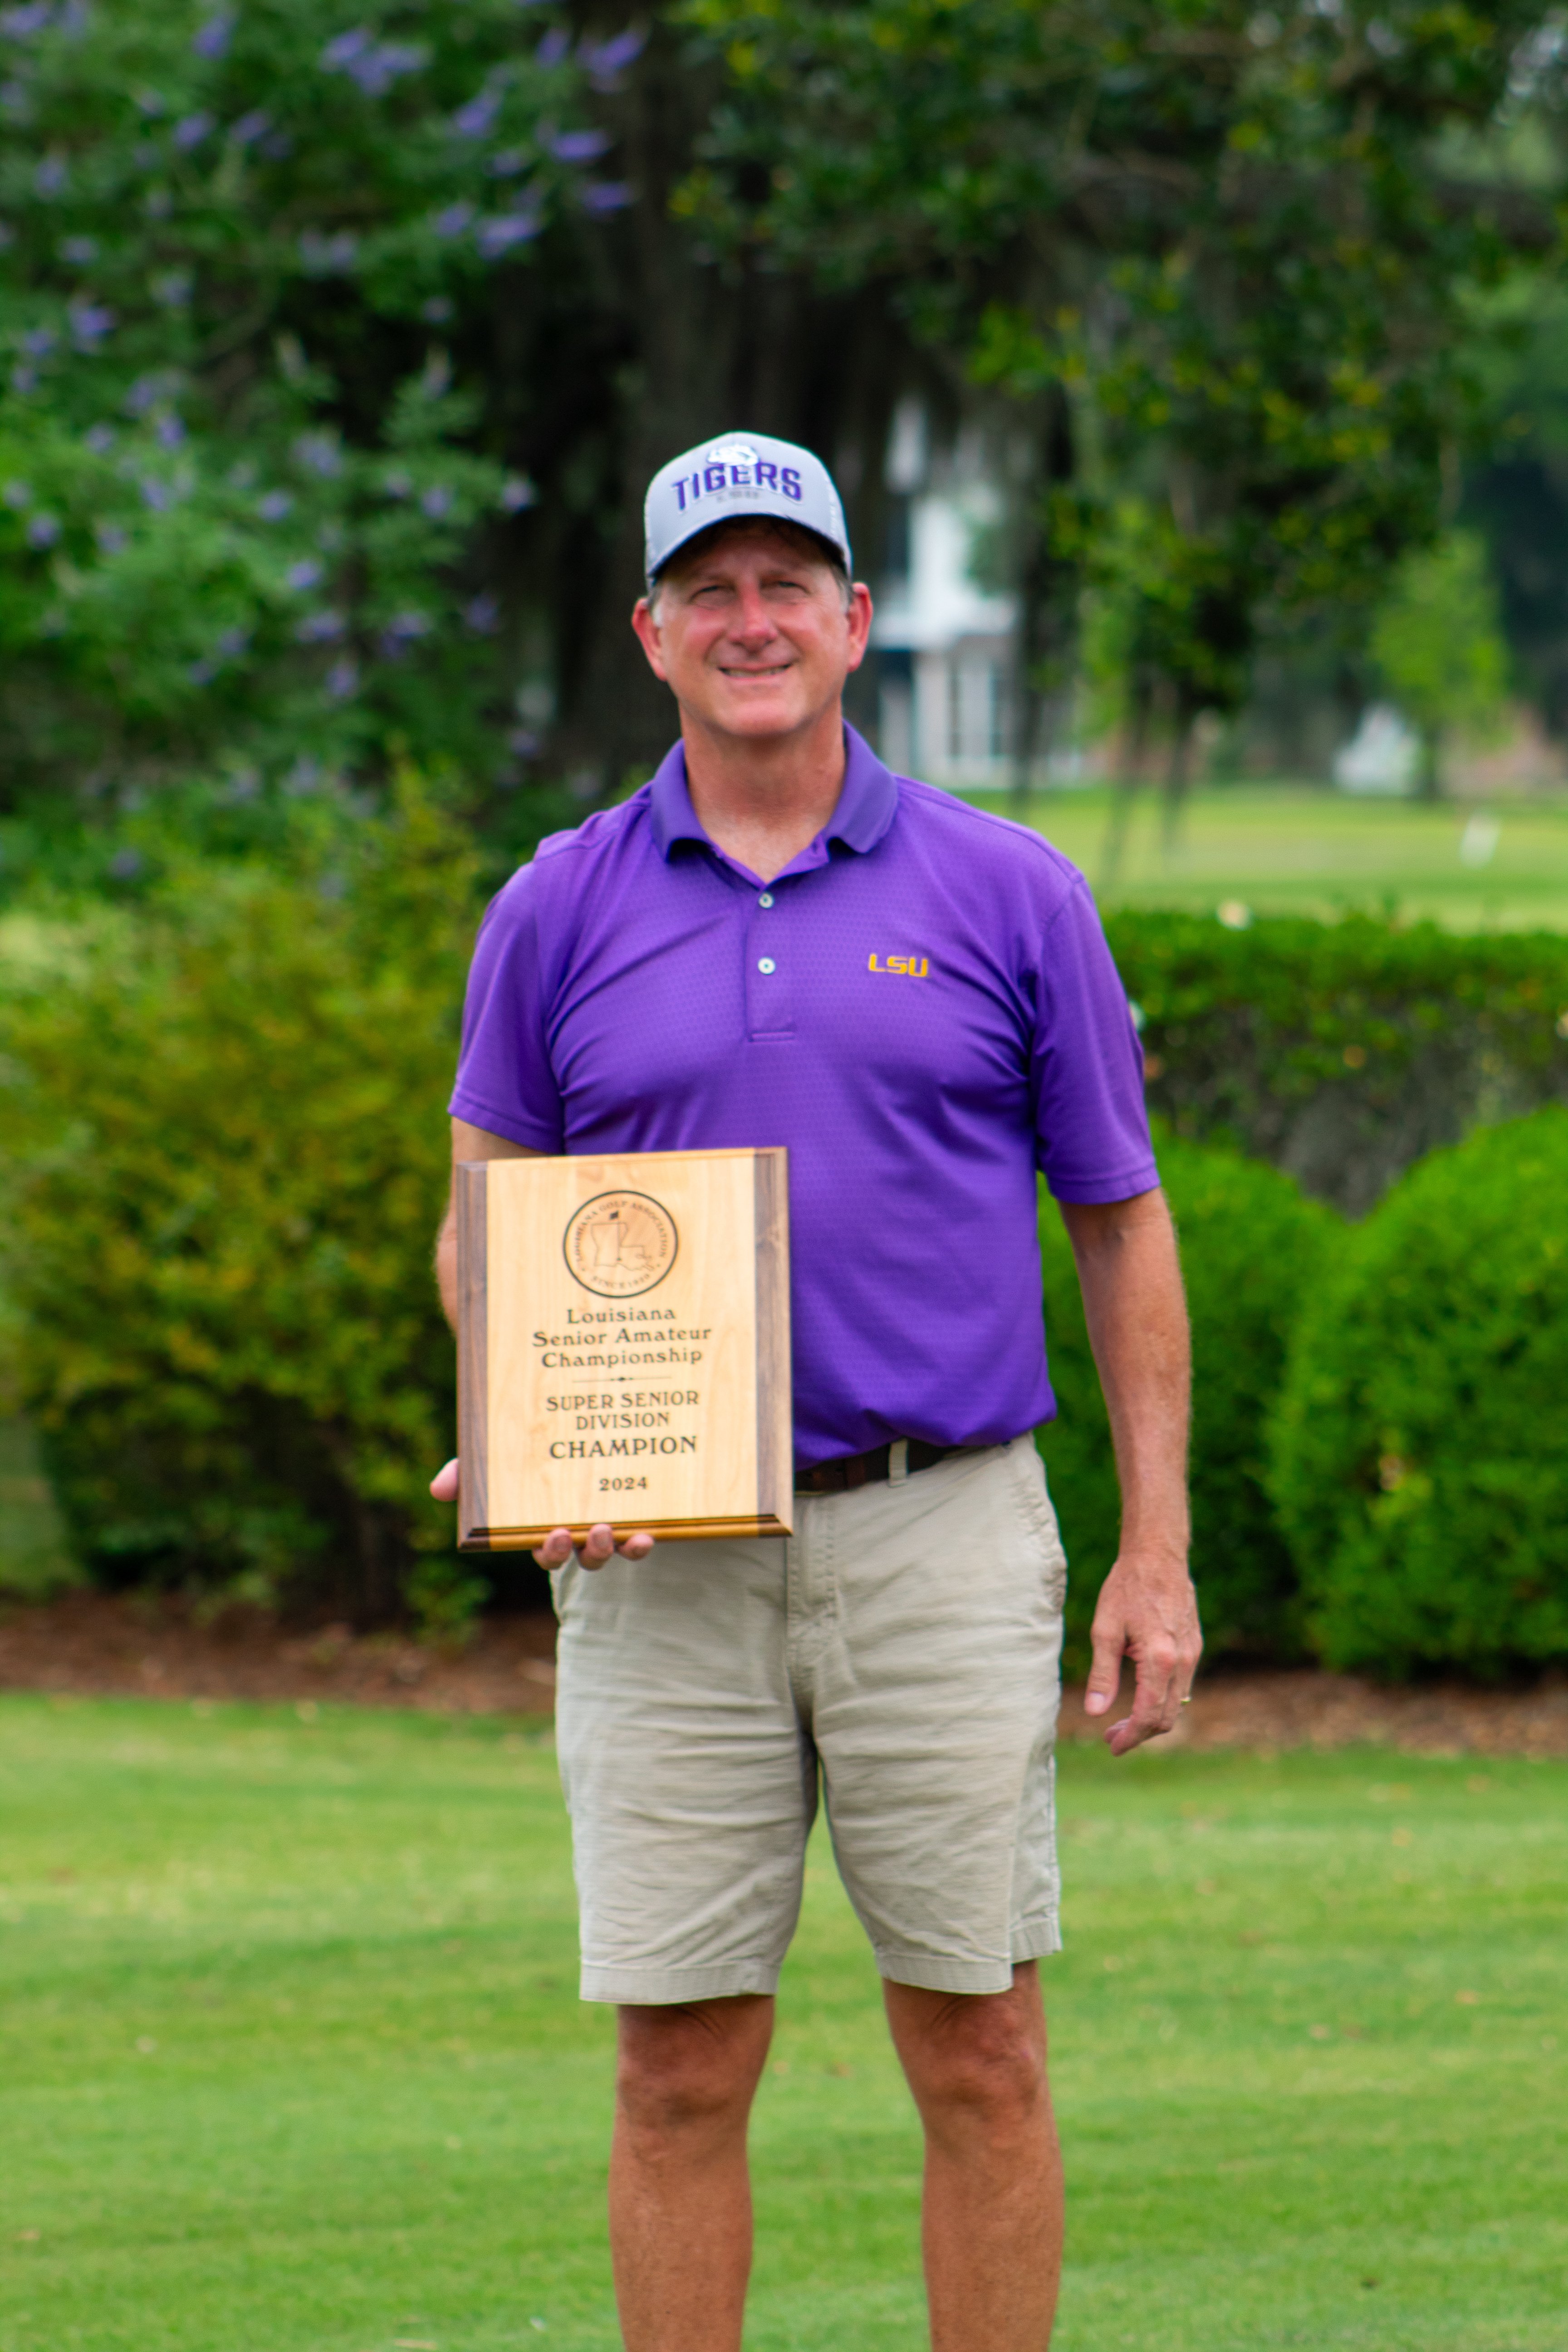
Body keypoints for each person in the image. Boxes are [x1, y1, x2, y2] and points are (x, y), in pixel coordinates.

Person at [430, 430, 1201, 2352]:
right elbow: (485, 1224)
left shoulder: (1012, 891)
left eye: (790, 586)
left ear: (857, 622)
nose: (751, 621)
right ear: (652, 631)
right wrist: (524, 1429)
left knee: (984, 2051)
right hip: (660, 1562)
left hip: (944, 1532)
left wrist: (1156, 1552)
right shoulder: (556, 905)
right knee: (678, 2069)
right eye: (713, 589)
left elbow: (1120, 1219)